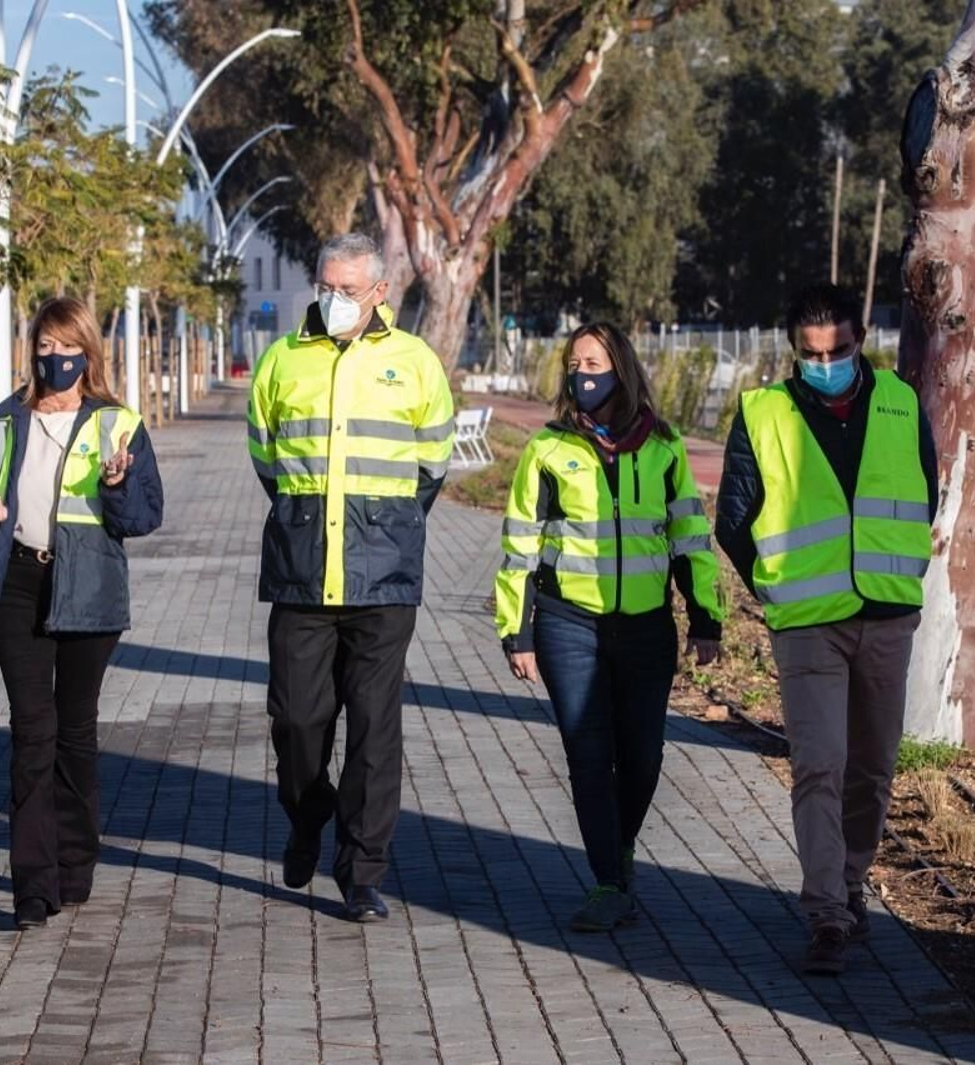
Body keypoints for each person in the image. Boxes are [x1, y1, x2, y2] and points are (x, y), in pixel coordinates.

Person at [715, 282, 937, 976]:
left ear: (859, 339)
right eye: (811, 355)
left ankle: (849, 878)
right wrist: (775, 589)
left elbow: (925, 491)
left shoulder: (902, 403)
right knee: (819, 763)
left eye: (837, 350)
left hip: (887, 617)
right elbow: (733, 518)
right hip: (808, 624)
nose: (825, 363)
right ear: (793, 353)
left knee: (872, 769)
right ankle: (827, 914)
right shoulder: (763, 413)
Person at [247, 232, 455, 922]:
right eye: (324, 285)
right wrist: (308, 515)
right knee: (297, 720)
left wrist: (386, 528)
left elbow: (433, 463)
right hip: (303, 574)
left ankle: (362, 870)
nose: (332, 298)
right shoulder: (282, 360)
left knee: (374, 729)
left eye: (346, 288)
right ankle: (309, 817)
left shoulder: (415, 362)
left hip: (382, 577)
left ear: (378, 293)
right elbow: (266, 457)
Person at [495, 322, 723, 933]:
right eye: (573, 363)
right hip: (568, 624)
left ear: (620, 368)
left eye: (593, 361)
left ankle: (617, 851)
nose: (582, 373)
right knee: (589, 754)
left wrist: (706, 618)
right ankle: (608, 880)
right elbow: (521, 544)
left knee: (643, 756)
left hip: (647, 628)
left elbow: (690, 540)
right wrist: (516, 631)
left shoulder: (665, 447)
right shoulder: (548, 450)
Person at [0, 297, 163, 930]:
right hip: (17, 581)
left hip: (89, 588)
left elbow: (145, 516)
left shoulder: (119, 424)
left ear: (89, 352)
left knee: (75, 733)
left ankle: (75, 862)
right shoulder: (0, 422)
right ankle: (32, 889)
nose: (56, 359)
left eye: (68, 348)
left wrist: (118, 484)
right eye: (45, 347)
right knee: (30, 731)